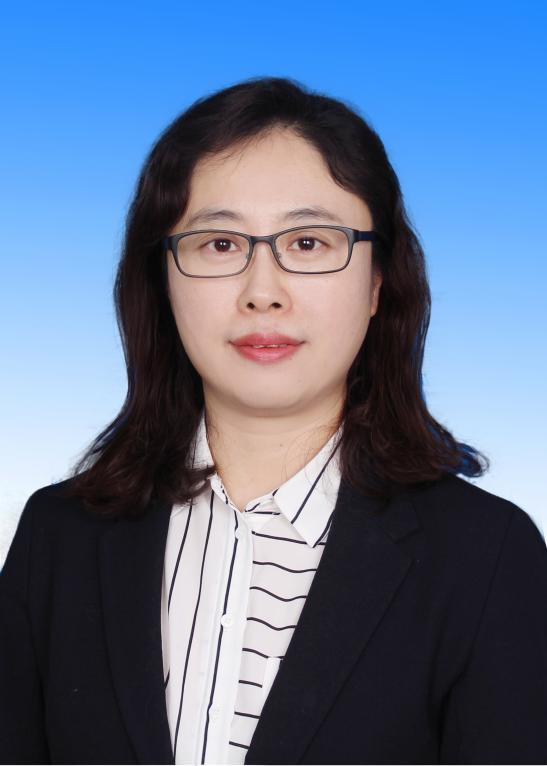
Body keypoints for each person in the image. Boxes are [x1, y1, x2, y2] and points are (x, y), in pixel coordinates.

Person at [1, 76, 546, 766]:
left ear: (377, 283)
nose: (263, 292)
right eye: (219, 245)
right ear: (162, 280)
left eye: (309, 243)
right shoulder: (60, 537)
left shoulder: (487, 558)